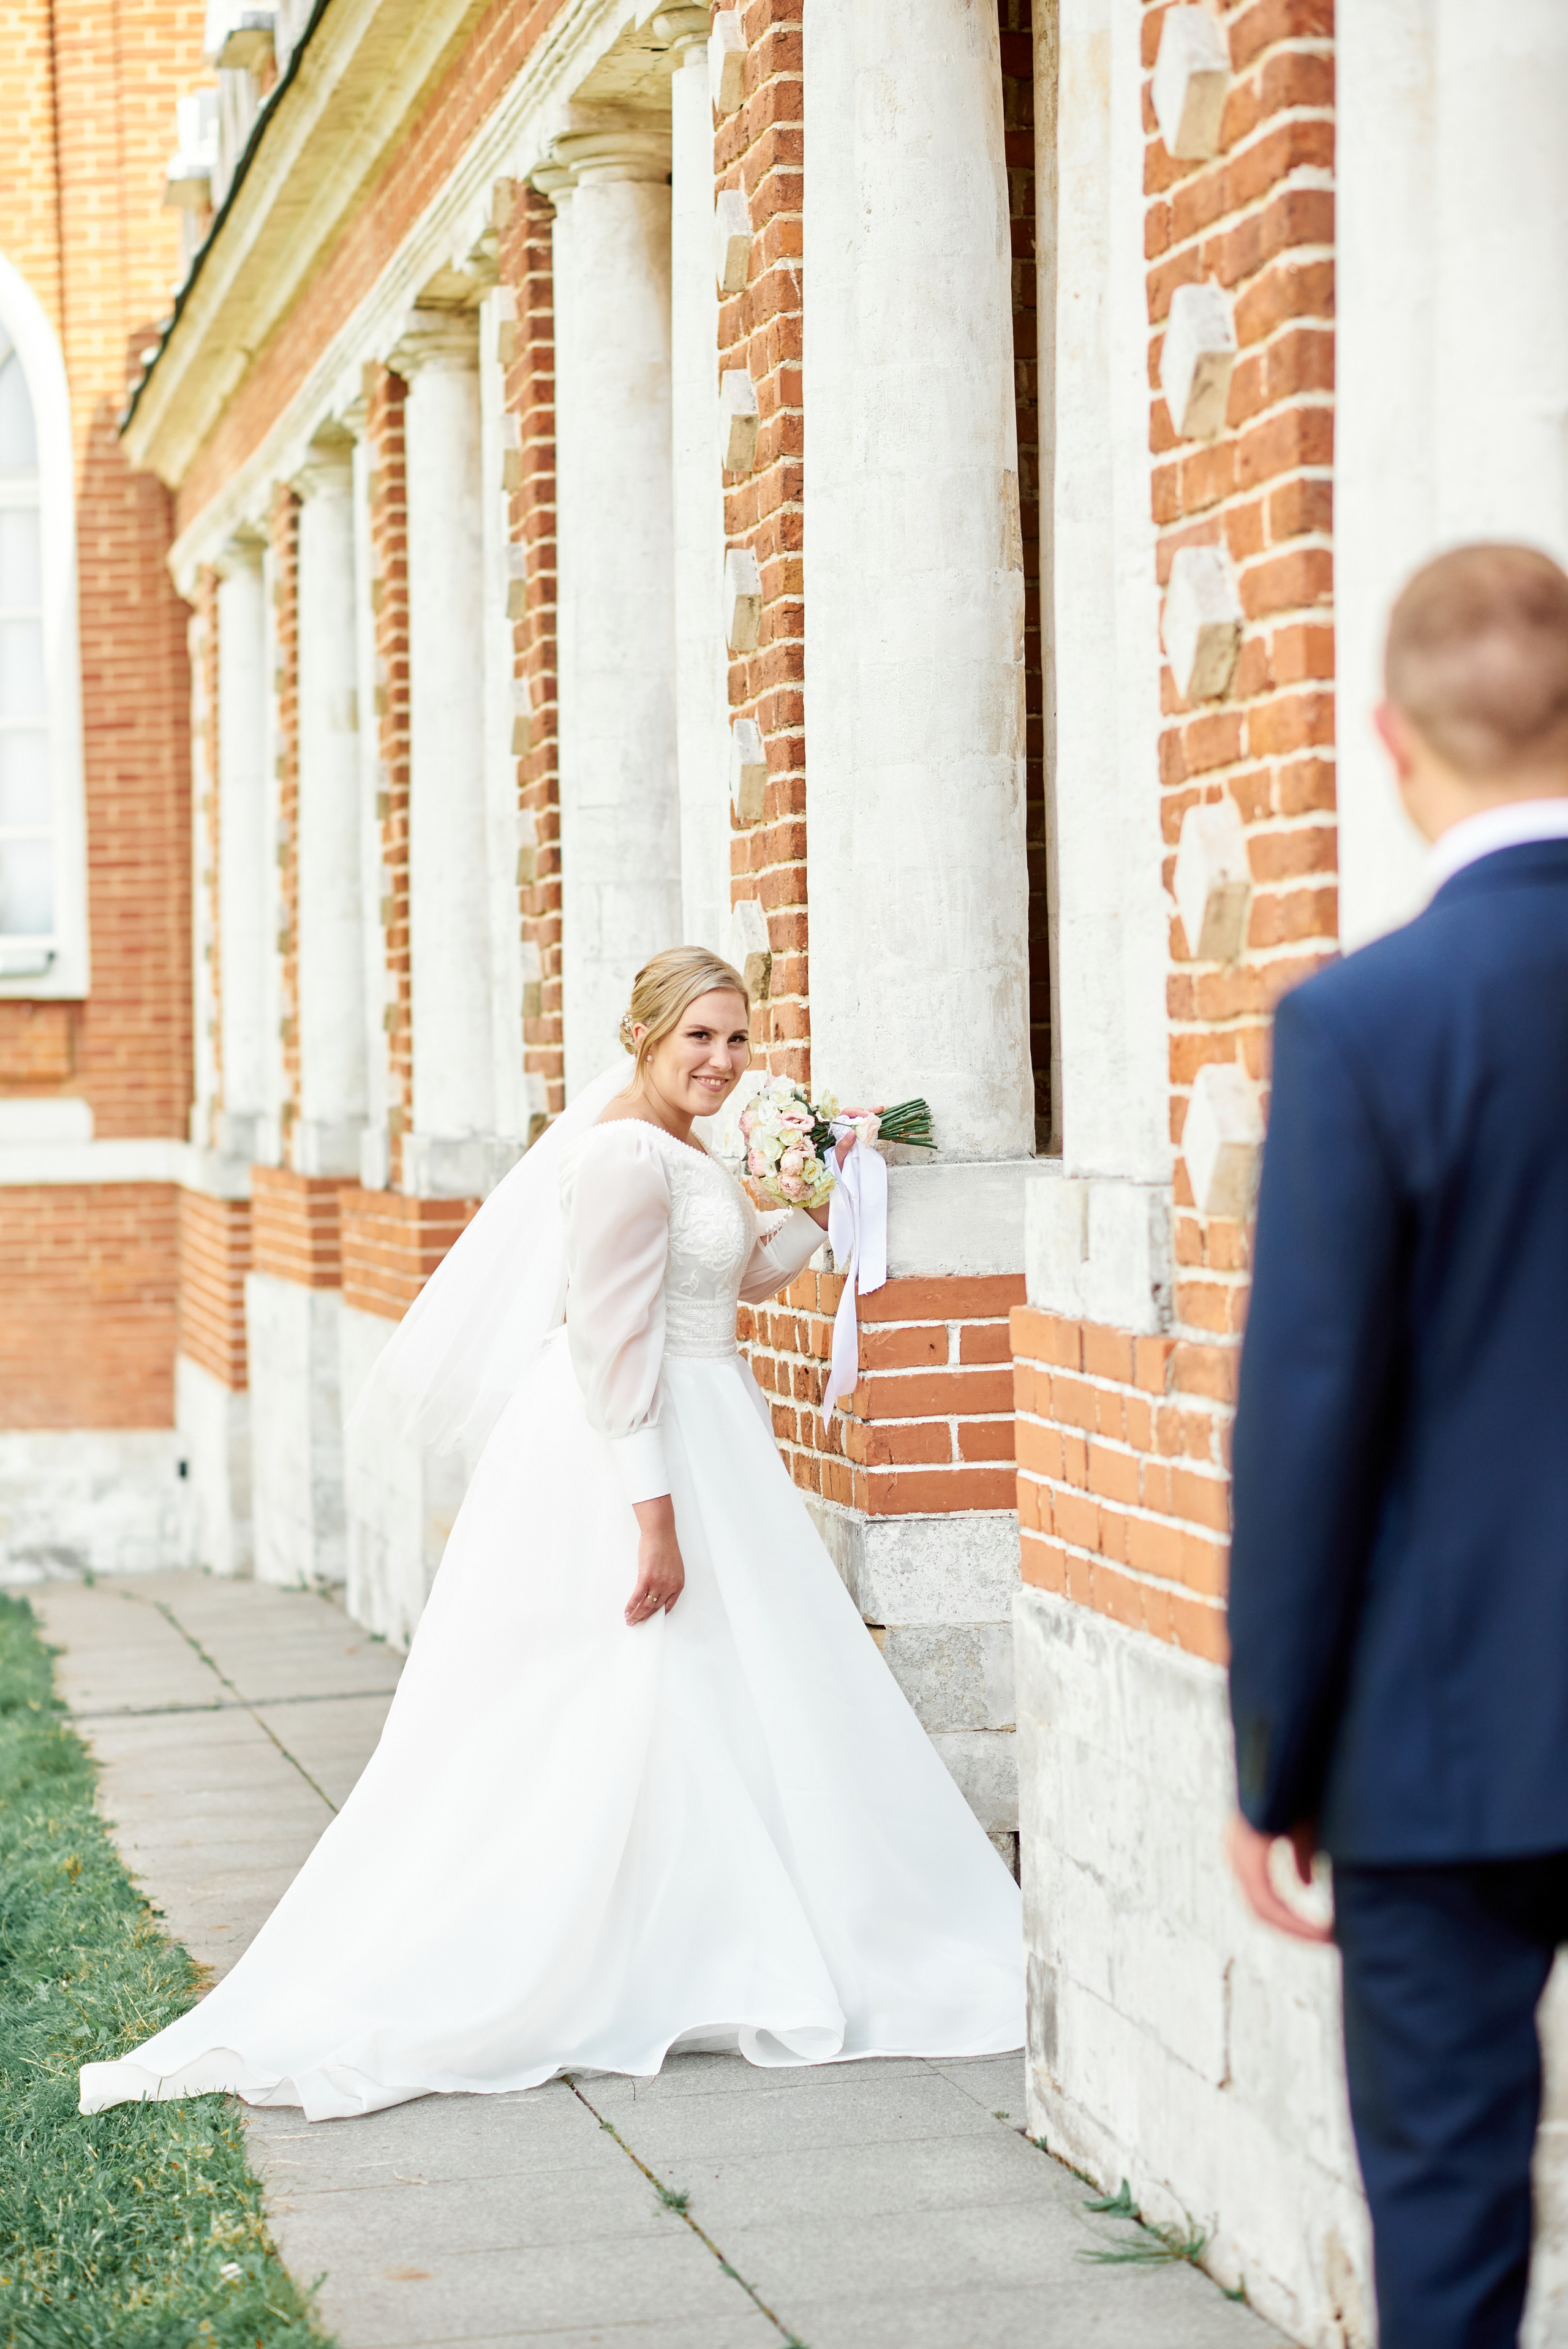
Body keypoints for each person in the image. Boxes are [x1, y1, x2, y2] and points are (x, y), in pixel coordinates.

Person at [81, 946, 1023, 2120]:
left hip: (709, 1424)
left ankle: (696, 1935)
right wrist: (655, 1516)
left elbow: (730, 1285)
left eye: (739, 1039)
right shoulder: (626, 1154)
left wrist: (825, 1191)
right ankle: (603, 1947)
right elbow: (610, 1344)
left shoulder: (686, 1147)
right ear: (644, 1036)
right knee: (624, 1684)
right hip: (645, 1447)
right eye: (700, 1039)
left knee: (711, 1692)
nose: (724, 1062)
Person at [1225, 543, 1568, 2348]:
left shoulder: (1363, 1024)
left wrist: (1271, 1753)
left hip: (1443, 1742)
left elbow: (1309, 1414)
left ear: (1386, 739)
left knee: (1445, 2224)